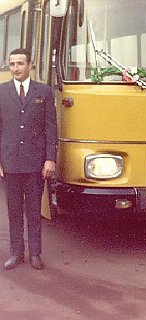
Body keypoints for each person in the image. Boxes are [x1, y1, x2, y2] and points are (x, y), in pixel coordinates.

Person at [0, 48, 57, 270]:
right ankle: (16, 253)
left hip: (35, 163)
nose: (15, 68)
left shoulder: (43, 91)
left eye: (20, 64)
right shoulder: (2, 91)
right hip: (10, 162)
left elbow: (50, 128)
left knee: (34, 210)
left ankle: (35, 254)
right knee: (13, 210)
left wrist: (50, 159)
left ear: (30, 65)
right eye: (12, 64)